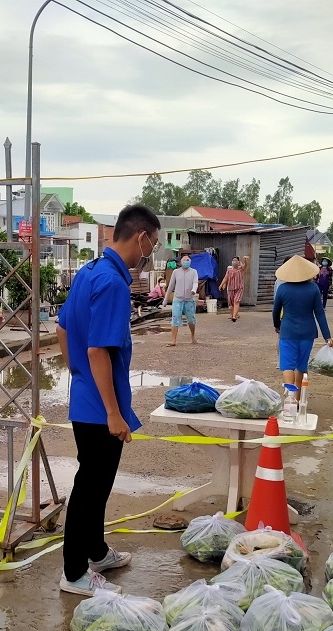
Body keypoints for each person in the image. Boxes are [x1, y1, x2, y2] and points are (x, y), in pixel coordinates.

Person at [55, 203, 160, 595]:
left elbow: (63, 327)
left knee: (96, 485)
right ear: (140, 237)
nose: (153, 251)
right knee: (89, 489)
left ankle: (96, 552)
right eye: (154, 242)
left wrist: (76, 372)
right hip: (101, 410)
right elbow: (99, 351)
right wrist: (114, 413)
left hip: (88, 398)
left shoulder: (89, 272)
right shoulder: (114, 284)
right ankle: (74, 574)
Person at [272, 255, 333, 390]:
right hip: (307, 332)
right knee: (301, 366)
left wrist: (277, 325)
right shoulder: (313, 288)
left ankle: (290, 399)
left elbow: (275, 311)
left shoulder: (283, 289)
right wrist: (327, 336)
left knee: (287, 366)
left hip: (287, 331)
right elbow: (320, 313)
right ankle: (299, 401)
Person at [165, 251, 199, 346]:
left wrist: (193, 290)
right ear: (180, 262)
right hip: (178, 299)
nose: (186, 261)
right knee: (175, 318)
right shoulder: (176, 272)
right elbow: (171, 286)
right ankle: (173, 341)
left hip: (189, 299)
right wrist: (165, 299)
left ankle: (193, 336)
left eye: (188, 260)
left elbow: (195, 283)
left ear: (190, 261)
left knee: (191, 319)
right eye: (184, 260)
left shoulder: (193, 272)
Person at [218, 255, 248, 322]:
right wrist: (221, 284)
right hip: (231, 288)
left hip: (239, 288)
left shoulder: (240, 269)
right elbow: (226, 278)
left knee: (236, 301)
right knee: (231, 303)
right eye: (233, 260)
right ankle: (234, 314)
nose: (234, 262)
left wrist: (245, 260)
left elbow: (245, 266)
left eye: (235, 260)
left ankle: (234, 316)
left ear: (238, 262)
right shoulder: (229, 270)